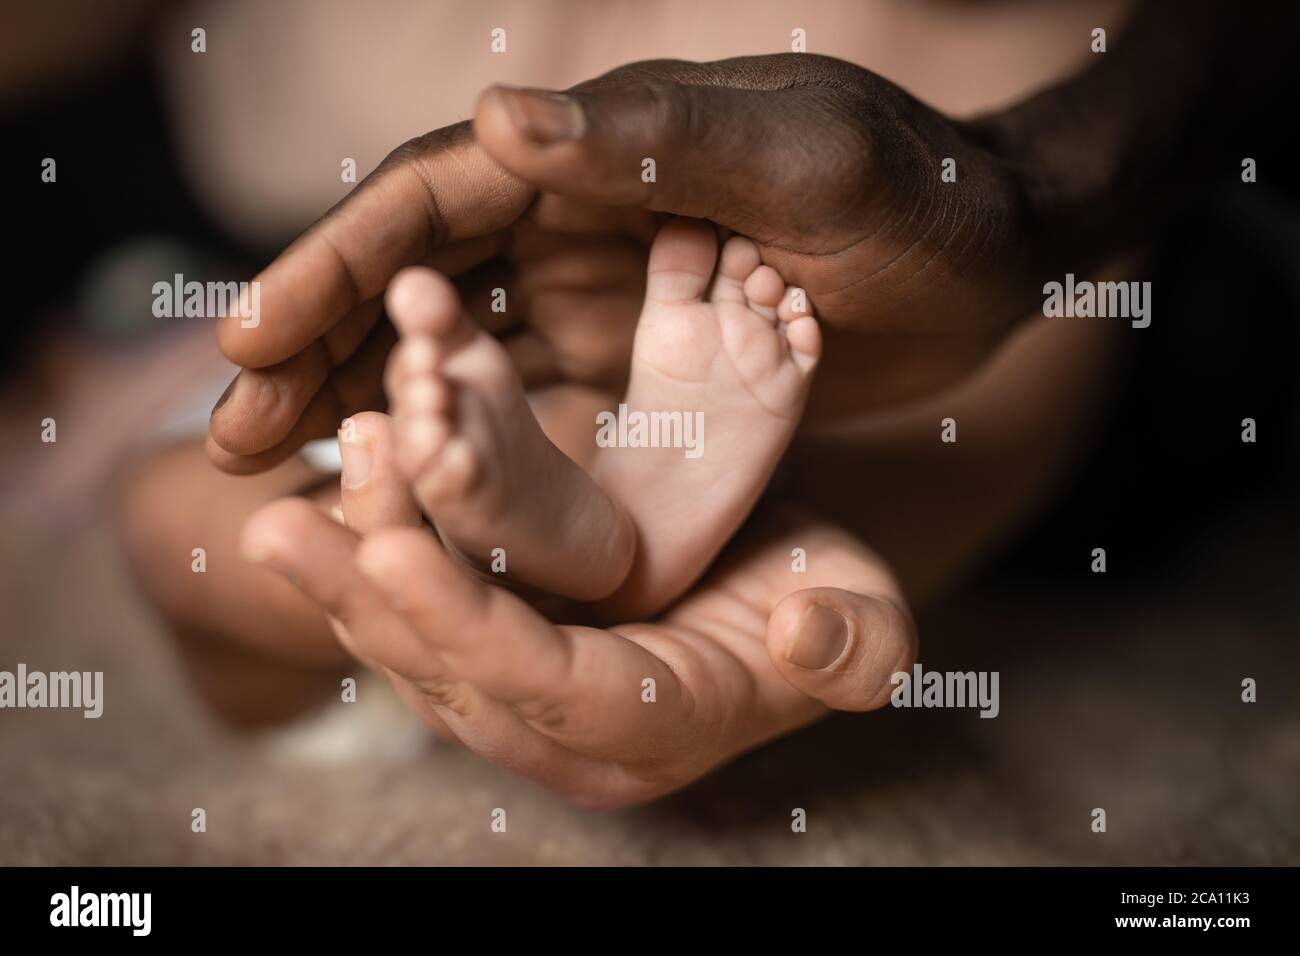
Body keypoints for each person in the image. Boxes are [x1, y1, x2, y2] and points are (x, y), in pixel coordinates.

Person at [118, 0, 1295, 805]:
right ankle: (597, 504)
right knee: (233, 512)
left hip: (1003, 245)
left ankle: (575, 505)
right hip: (889, 255)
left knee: (188, 523)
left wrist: (1044, 189)